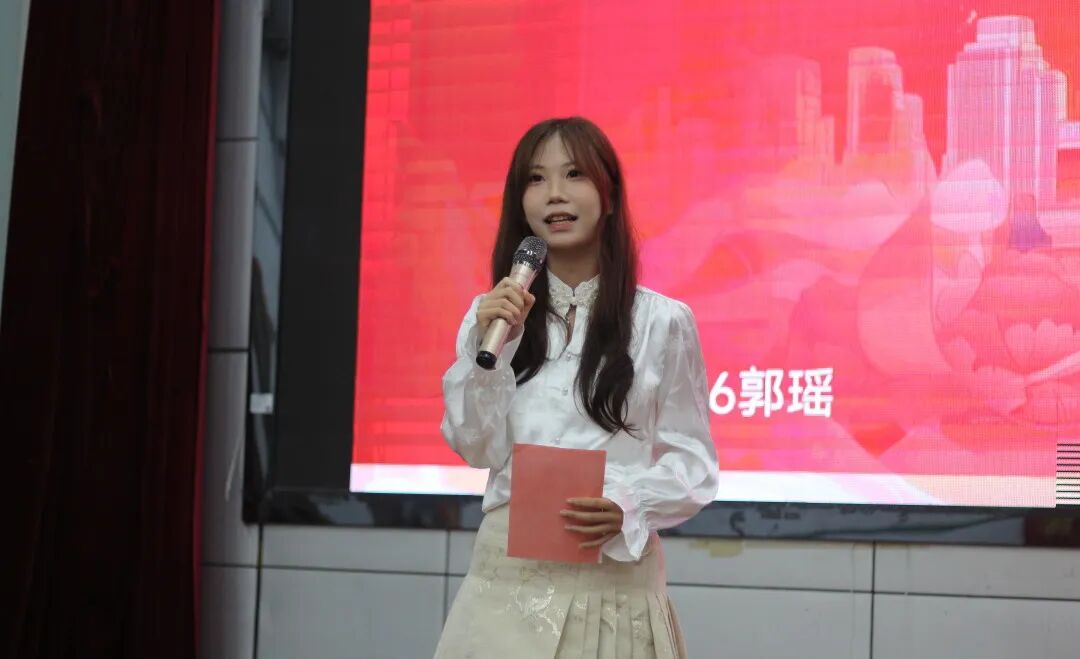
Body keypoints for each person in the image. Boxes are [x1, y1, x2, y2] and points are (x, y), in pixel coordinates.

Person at [434, 117, 719, 659]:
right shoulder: (491, 316)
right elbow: (475, 446)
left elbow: (693, 461)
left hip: (613, 579)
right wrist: (490, 351)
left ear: (609, 196)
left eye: (574, 175)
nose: (555, 194)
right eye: (536, 179)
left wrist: (629, 505)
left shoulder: (663, 321)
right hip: (507, 586)